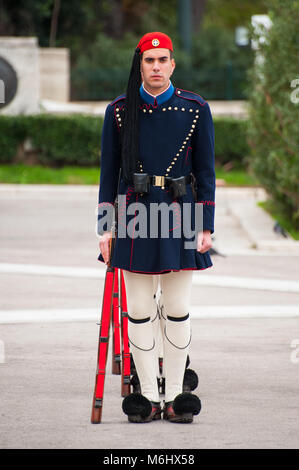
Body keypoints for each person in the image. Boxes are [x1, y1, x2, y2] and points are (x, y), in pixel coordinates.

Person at [97, 32, 215, 423]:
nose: (157, 67)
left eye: (163, 60)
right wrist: (105, 228)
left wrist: (206, 225)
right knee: (140, 310)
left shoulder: (195, 108)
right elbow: (108, 174)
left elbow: (205, 173)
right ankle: (147, 397)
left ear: (173, 65)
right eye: (150, 61)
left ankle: (177, 394)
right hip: (135, 215)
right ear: (140, 65)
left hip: (182, 213)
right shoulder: (119, 110)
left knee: (178, 309)